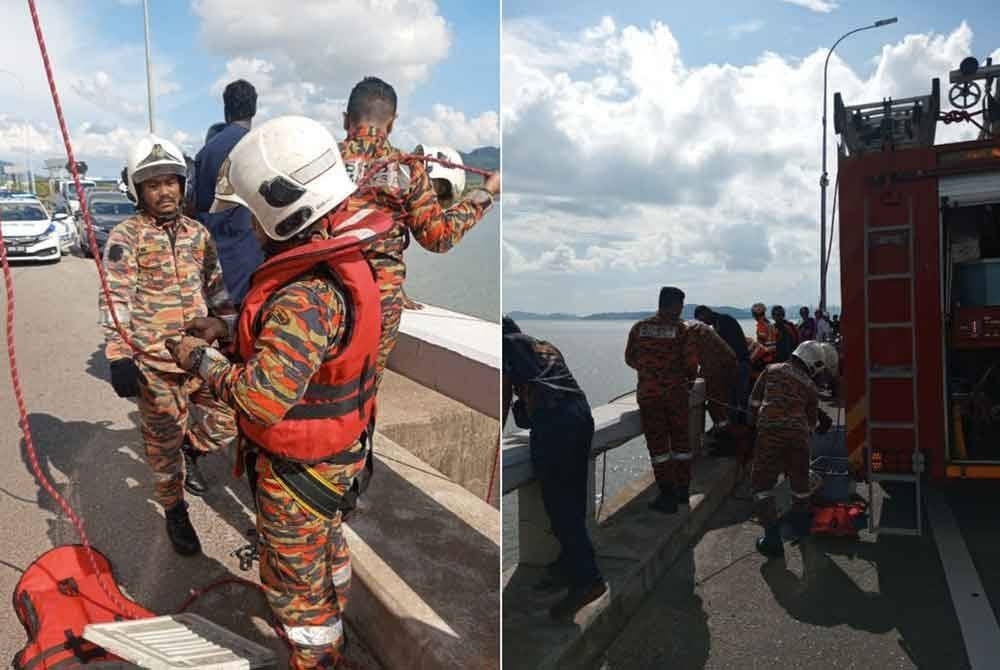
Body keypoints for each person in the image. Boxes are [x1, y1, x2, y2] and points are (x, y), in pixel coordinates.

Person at [167, 116, 392, 666]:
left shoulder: (304, 294)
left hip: (300, 470)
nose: (248, 227)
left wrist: (201, 358)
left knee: (298, 594)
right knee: (326, 549)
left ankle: (319, 651)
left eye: (250, 214)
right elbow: (301, 351)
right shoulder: (340, 262)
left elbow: (261, 399)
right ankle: (332, 607)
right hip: (338, 454)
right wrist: (228, 329)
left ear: (278, 209)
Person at [101, 135, 237, 556]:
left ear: (183, 184)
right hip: (153, 363)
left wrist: (226, 329)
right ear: (138, 190)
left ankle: (190, 448)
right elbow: (116, 298)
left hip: (199, 358)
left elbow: (217, 290)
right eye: (153, 184)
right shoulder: (127, 236)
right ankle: (175, 510)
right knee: (160, 451)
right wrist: (118, 355)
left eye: (171, 181)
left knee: (230, 417)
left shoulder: (199, 234)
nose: (165, 191)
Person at [338, 76, 501, 384]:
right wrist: (486, 195)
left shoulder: (324, 160)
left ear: (346, 118)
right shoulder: (405, 167)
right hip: (376, 303)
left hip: (314, 294)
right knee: (355, 394)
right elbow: (437, 237)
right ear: (393, 123)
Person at [502, 316, 607, 621]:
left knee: (559, 505)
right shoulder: (545, 347)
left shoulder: (507, 346)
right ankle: (567, 564)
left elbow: (504, 394)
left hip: (555, 423)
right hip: (580, 416)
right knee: (572, 498)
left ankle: (588, 580)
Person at [749, 341, 835, 558]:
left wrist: (757, 423)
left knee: (762, 486)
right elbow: (812, 424)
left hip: (769, 435)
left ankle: (771, 539)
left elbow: (753, 403)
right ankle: (802, 529)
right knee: (800, 484)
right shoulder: (810, 386)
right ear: (813, 364)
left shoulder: (771, 370)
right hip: (799, 438)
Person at [625, 287, 698, 513]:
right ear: (673, 304)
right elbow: (691, 365)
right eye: (681, 305)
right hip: (675, 396)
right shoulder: (682, 330)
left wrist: (650, 372)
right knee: (681, 445)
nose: (682, 309)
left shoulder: (640, 328)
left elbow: (630, 359)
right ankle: (683, 492)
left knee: (658, 447)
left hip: (650, 396)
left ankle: (667, 495)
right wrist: (683, 379)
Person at [194, 79, 266, 306]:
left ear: (225, 110)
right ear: (254, 109)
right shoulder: (262, 146)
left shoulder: (206, 153)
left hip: (213, 255)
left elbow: (197, 206)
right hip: (252, 255)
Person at [695, 306, 751, 425]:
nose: (704, 322)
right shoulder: (717, 323)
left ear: (707, 312)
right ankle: (737, 426)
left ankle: (742, 428)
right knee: (733, 398)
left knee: (740, 397)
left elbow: (727, 347)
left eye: (702, 319)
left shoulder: (724, 321)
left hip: (740, 363)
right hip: (735, 364)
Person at [686, 318, 738, 433]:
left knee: (715, 402)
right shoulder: (697, 325)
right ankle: (724, 428)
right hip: (728, 362)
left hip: (717, 366)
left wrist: (690, 381)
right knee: (721, 401)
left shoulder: (688, 331)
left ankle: (722, 433)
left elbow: (691, 362)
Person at [750, 302, 777, 370]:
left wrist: (750, 359)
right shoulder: (770, 324)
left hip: (765, 357)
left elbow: (760, 345)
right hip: (772, 354)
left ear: (756, 315)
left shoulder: (761, 325)